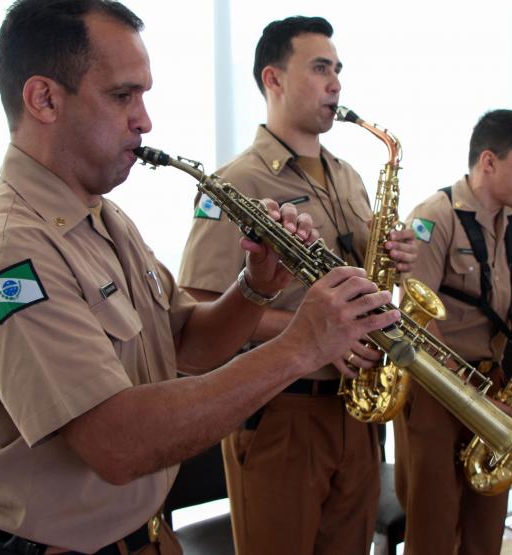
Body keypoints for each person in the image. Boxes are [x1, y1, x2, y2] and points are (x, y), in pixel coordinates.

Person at [0, 2, 399, 554]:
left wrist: (256, 286)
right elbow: (116, 443)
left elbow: (187, 342)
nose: (145, 120)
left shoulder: (106, 219)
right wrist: (302, 344)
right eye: (122, 95)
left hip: (150, 537)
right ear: (44, 99)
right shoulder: (6, 250)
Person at [177, 15, 417, 555]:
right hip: (283, 413)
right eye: (319, 68)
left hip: (355, 412)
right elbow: (199, 307)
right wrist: (316, 334)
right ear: (274, 79)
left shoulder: (351, 176)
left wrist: (396, 259)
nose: (335, 83)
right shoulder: (237, 184)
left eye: (337, 69)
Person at [392, 109, 512, 555]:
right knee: (434, 530)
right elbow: (416, 320)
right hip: (437, 392)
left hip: (492, 387)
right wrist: (473, 397)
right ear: (489, 161)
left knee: (486, 528)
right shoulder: (433, 216)